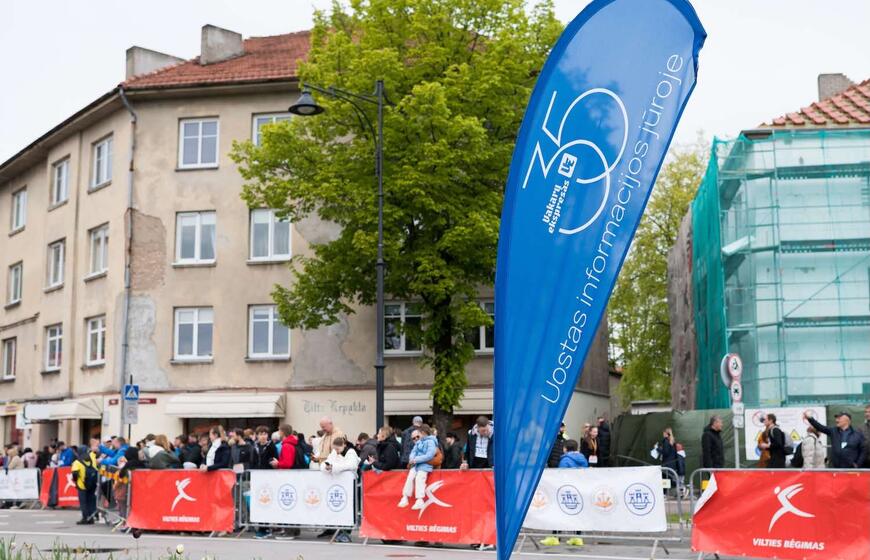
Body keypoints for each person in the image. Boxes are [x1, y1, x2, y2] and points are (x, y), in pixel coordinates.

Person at [321, 437, 360, 544]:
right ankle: (338, 531)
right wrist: (327, 467)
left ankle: (346, 533)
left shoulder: (351, 452)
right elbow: (326, 462)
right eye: (335, 449)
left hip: (350, 485)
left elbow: (351, 465)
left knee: (349, 509)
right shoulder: (334, 453)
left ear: (344, 445)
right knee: (340, 509)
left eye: (338, 449)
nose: (336, 451)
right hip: (339, 486)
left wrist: (334, 467)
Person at [398, 425, 439, 511]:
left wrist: (416, 459)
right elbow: (413, 452)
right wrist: (412, 459)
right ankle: (405, 497)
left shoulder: (431, 442)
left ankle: (419, 499)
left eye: (419, 434)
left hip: (425, 466)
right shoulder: (419, 442)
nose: (417, 438)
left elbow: (429, 455)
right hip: (416, 465)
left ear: (423, 433)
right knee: (410, 478)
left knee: (419, 478)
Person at [71, 446, 98, 524]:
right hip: (92, 484)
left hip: (82, 484)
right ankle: (91, 517)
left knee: (83, 502)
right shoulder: (92, 458)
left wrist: (75, 480)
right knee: (91, 500)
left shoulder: (77, 462)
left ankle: (85, 518)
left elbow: (75, 473)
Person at [114, 447, 140, 526]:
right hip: (139, 489)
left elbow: (121, 475)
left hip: (127, 489)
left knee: (124, 506)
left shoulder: (129, 464)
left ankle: (126, 522)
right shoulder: (141, 463)